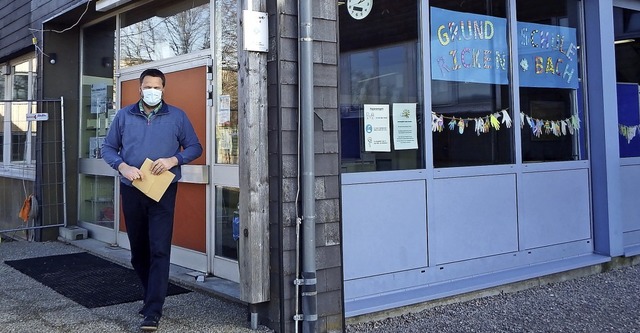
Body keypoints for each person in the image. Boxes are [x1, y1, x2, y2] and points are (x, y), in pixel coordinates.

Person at [101, 68, 202, 332]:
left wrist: (173, 160)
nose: (152, 91)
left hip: (162, 190)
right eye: (148, 86)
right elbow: (108, 148)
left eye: (157, 86)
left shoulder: (177, 116)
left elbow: (194, 146)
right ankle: (150, 298)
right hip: (132, 188)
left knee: (159, 249)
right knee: (138, 252)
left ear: (163, 89)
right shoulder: (124, 116)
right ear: (140, 88)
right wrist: (122, 167)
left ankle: (153, 311)